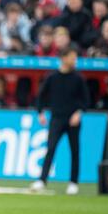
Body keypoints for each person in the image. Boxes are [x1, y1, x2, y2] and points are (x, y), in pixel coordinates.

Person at [31, 47, 90, 195]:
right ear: (64, 58)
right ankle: (42, 180)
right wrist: (40, 112)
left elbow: (86, 100)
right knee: (50, 149)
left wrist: (79, 112)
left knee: (75, 151)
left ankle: (73, 182)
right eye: (72, 57)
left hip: (73, 120)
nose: (75, 60)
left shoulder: (78, 78)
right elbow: (41, 96)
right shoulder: (52, 77)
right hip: (56, 118)